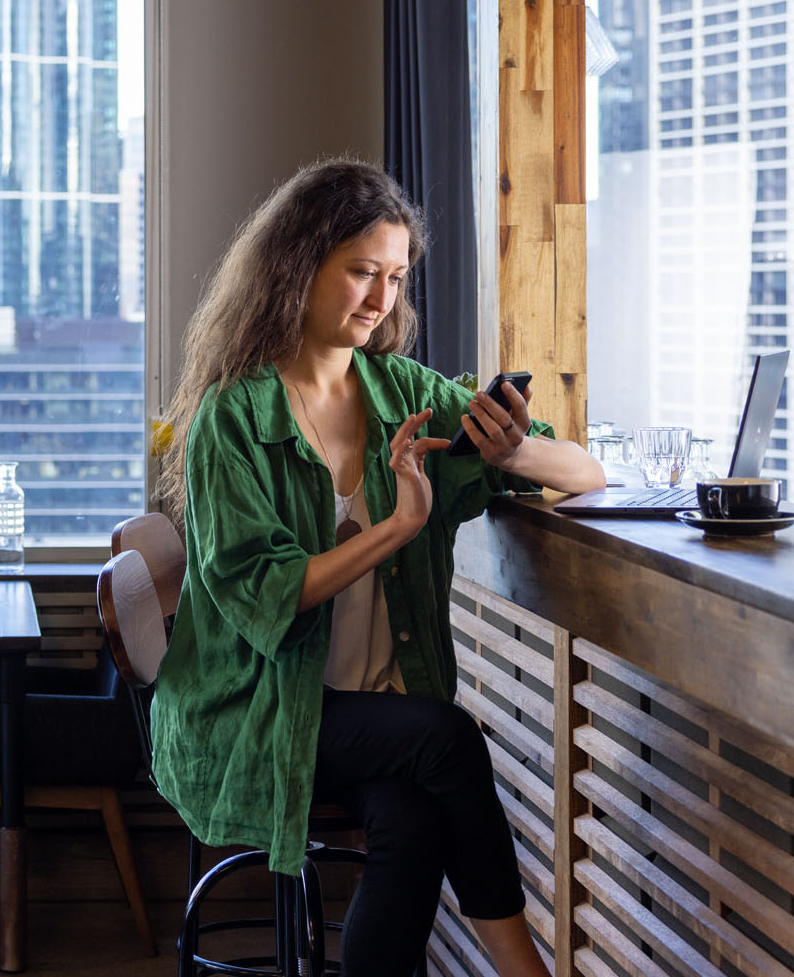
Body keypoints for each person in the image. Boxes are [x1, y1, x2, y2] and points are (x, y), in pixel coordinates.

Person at [150, 158, 605, 976]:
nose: (380, 299)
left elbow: (587, 476)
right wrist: (397, 526)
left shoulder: (405, 392)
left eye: (395, 278)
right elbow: (267, 596)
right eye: (361, 273)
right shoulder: (233, 415)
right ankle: (525, 970)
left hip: (370, 714)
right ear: (297, 267)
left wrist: (514, 446)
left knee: (414, 822)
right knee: (447, 739)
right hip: (258, 709)